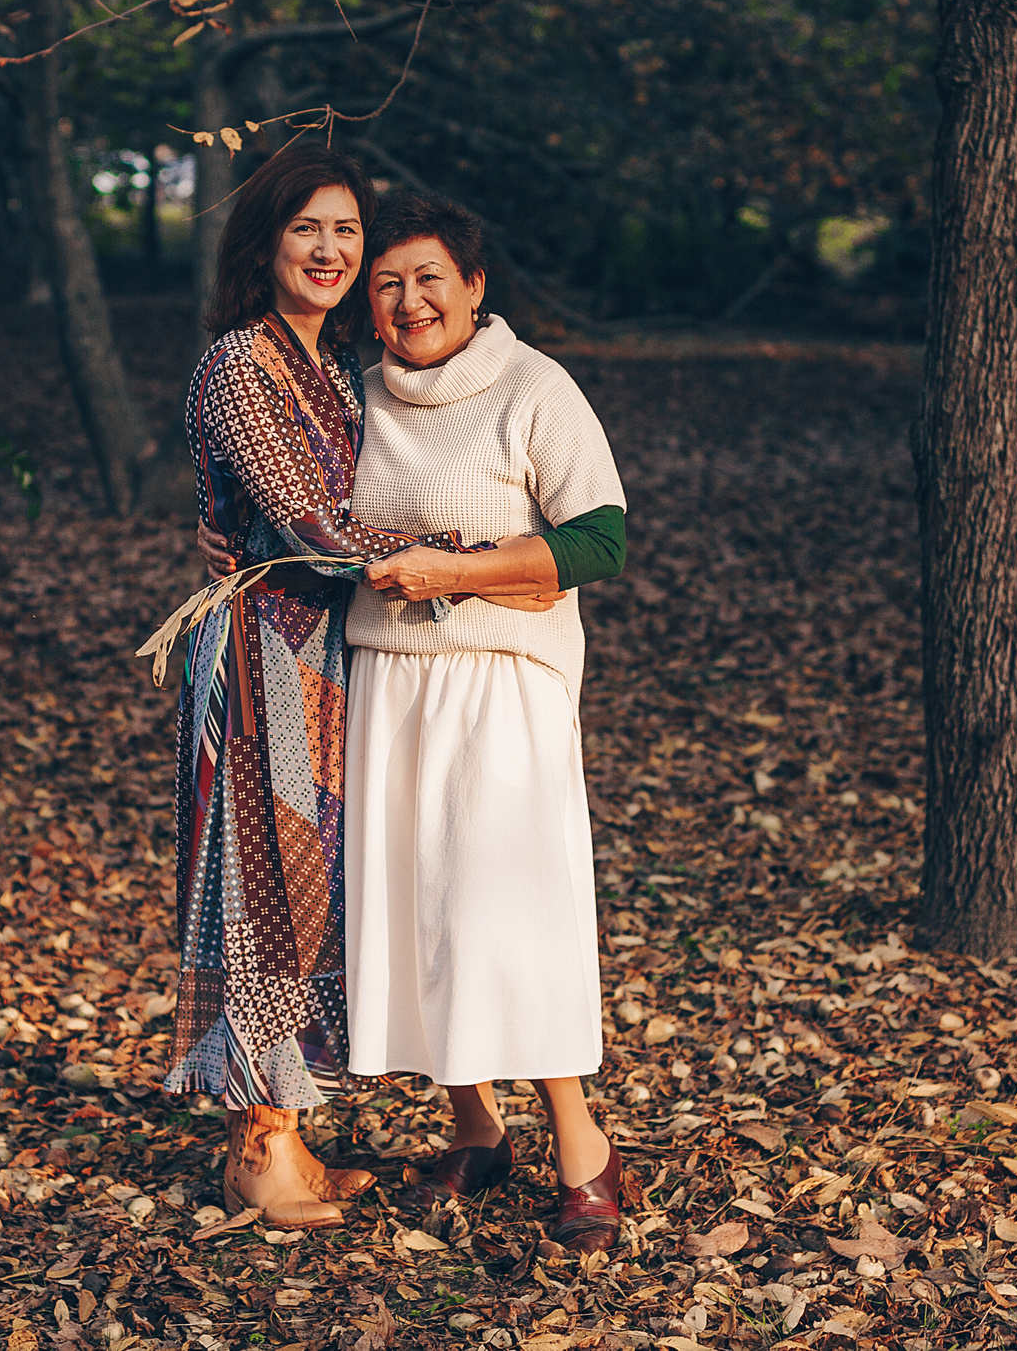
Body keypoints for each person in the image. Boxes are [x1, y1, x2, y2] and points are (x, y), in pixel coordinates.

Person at [169, 149, 521, 1230]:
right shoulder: (242, 364)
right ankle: (256, 1150)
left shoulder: (329, 369)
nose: (330, 251)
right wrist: (457, 557)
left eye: (345, 233)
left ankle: (289, 1131)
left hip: (328, 649)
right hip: (264, 644)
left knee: (315, 890)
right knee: (263, 889)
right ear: (265, 245)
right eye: (305, 231)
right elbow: (303, 519)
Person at [344, 190, 639, 1253]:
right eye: (386, 283)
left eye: (428, 279)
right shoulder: (352, 398)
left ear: (474, 286)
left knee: (503, 917)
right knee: (415, 917)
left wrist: (458, 570)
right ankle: (474, 1128)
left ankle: (583, 1145)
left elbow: (600, 542)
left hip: (499, 688)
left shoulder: (532, 387)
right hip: (385, 684)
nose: (408, 300)